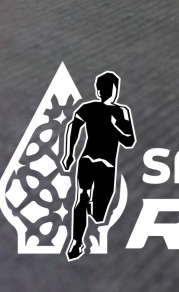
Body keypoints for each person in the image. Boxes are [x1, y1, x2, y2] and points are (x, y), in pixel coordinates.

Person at [59, 71, 135, 263]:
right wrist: (69, 153)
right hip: (90, 161)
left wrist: (113, 128)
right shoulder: (90, 108)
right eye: (106, 88)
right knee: (82, 196)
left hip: (102, 165)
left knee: (98, 213)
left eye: (111, 88)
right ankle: (76, 242)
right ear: (99, 90)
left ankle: (90, 210)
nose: (109, 92)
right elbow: (73, 127)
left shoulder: (121, 112)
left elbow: (129, 141)